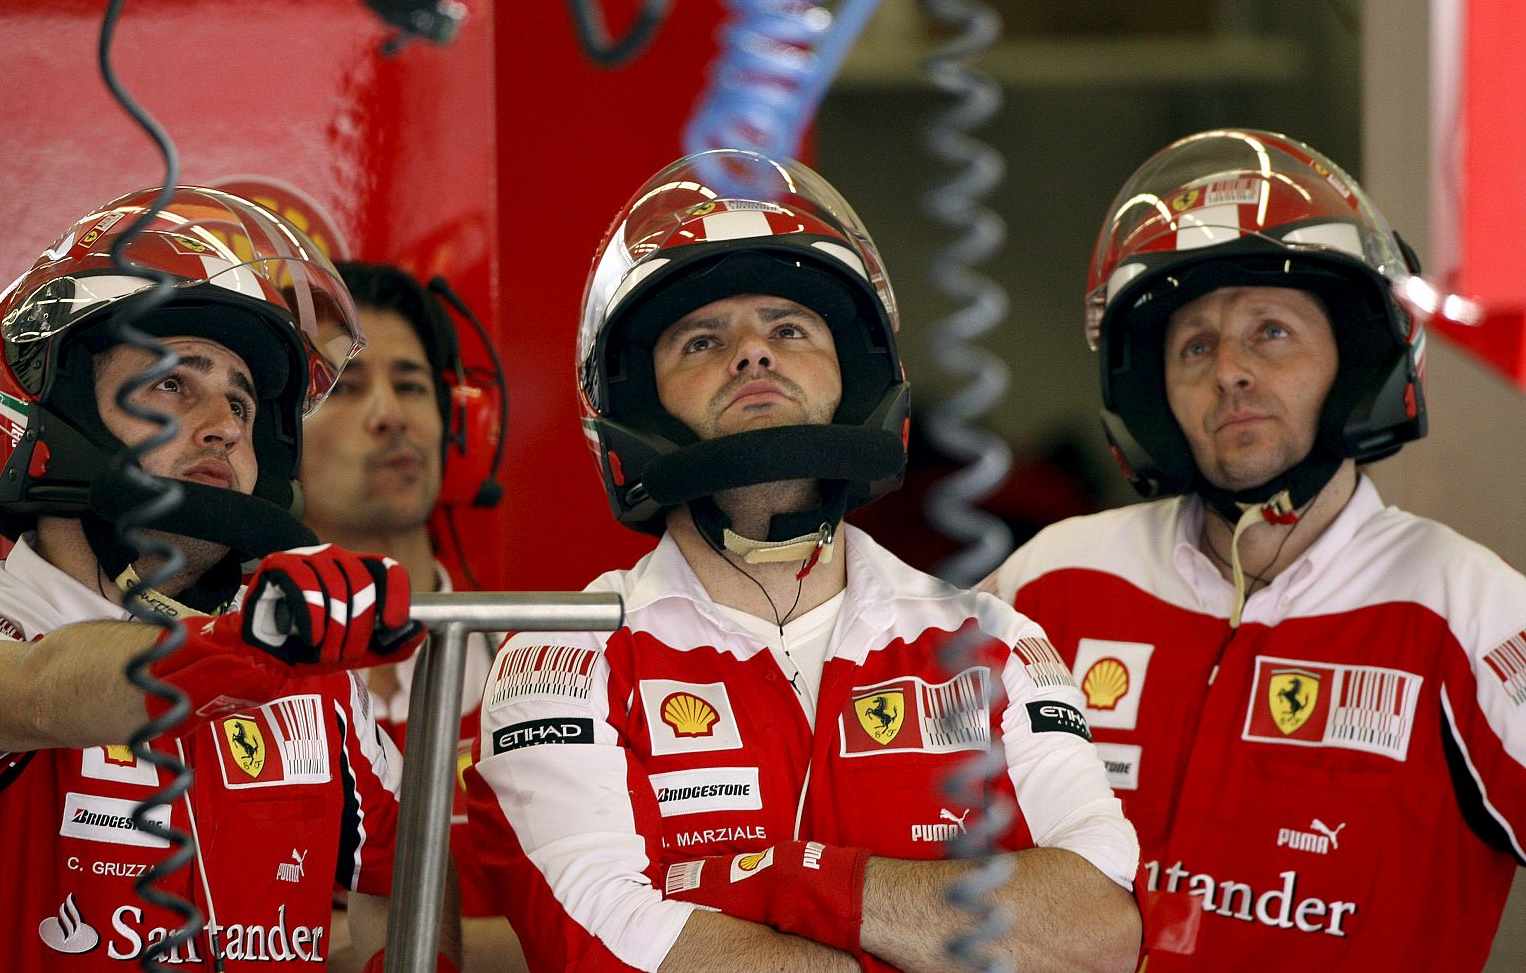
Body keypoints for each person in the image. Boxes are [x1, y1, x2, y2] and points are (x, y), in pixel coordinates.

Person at [465, 150, 1141, 972]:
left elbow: (1097, 934)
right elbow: (605, 945)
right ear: (640, 407)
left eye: (788, 328)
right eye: (702, 340)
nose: (752, 353)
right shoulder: (563, 656)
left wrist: (788, 877)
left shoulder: (995, 639)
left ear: (850, 377)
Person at [982, 128, 1526, 969]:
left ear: (1351, 362)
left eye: (1270, 331)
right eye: (1195, 345)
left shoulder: (1465, 604)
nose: (1229, 369)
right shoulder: (1053, 579)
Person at [0, 187, 455, 970]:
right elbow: (38, 691)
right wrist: (248, 647)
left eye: (242, 403)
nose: (223, 424)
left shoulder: (313, 681)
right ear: (58, 418)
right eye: (172, 384)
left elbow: (405, 878)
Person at [299, 260, 523, 971]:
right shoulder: (235, 672)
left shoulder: (545, 661)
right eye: (346, 386)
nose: (390, 413)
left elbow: (611, 927)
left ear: (453, 423)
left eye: (412, 385)